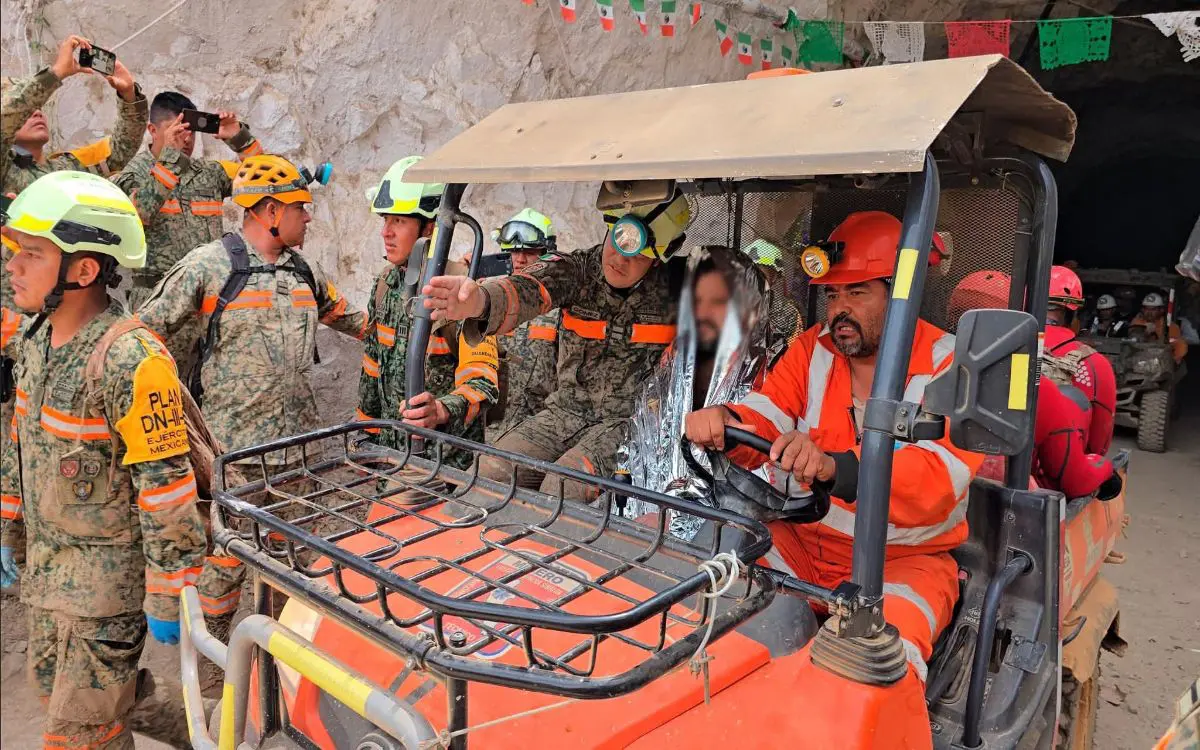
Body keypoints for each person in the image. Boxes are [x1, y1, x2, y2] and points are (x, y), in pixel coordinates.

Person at [684, 211, 984, 683]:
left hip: (902, 564)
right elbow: (766, 413)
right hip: (801, 542)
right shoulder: (812, 348)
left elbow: (935, 482)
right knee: (702, 593)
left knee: (878, 669)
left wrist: (830, 468)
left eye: (857, 292)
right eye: (833, 294)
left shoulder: (951, 368)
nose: (839, 309)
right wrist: (727, 420)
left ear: (902, 296)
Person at [1, 171, 205, 749]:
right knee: (74, 697)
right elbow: (21, 440)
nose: (13, 266)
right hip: (46, 575)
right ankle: (199, 732)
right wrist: (7, 525)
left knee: (78, 733)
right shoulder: (36, 341)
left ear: (83, 271)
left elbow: (166, 486)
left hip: (105, 592)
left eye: (32, 254)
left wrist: (169, 587)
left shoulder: (131, 360)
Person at [134, 154, 366, 643]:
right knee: (225, 557)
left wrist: (423, 322)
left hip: (298, 452)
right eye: (300, 207)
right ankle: (214, 652)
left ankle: (280, 650)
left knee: (292, 551)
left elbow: (356, 320)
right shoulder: (209, 266)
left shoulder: (304, 273)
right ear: (268, 211)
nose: (309, 216)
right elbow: (141, 334)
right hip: (235, 452)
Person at [422, 188, 690, 500]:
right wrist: (478, 301)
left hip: (628, 423)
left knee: (563, 489)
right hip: (564, 412)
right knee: (488, 474)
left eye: (639, 253)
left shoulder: (679, 288)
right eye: (618, 242)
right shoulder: (577, 271)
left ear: (658, 258)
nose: (620, 259)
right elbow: (526, 288)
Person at [356, 156, 498, 463]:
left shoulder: (462, 291)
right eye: (386, 220)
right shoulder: (384, 285)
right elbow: (372, 366)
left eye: (399, 221)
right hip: (394, 458)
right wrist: (367, 434)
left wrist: (441, 410)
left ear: (430, 228)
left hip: (449, 467)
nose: (386, 232)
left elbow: (482, 381)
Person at [950, 271, 1120, 499]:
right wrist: (1103, 467)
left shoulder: (924, 364)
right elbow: (1079, 474)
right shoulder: (1036, 385)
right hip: (1007, 509)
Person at [113, 91, 264, 312]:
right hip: (158, 300)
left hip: (210, 298)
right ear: (152, 131)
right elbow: (140, 214)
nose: (186, 139)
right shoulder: (133, 174)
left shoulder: (209, 172)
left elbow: (263, 179)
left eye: (191, 131)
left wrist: (239, 138)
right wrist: (171, 160)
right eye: (178, 131)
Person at [488, 208, 560, 442]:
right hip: (489, 433)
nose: (520, 260)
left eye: (529, 252)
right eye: (514, 251)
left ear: (546, 254)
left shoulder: (560, 308)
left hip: (538, 435)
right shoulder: (491, 300)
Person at [1043, 265, 1118, 456]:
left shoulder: (1004, 349)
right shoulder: (1095, 365)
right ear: (1074, 314)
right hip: (1061, 475)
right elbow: (1098, 447)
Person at [692, 256, 732, 409]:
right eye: (697, 300)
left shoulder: (767, 373)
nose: (702, 313)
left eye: (717, 302)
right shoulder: (670, 359)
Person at [1130, 292, 1188, 364]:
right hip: (1138, 358)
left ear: (1161, 310)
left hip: (1161, 361)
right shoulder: (1137, 322)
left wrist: (1173, 359)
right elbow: (1132, 341)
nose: (1149, 313)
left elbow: (1179, 345)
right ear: (1142, 310)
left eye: (1153, 309)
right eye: (1146, 309)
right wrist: (1144, 333)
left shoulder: (1170, 326)